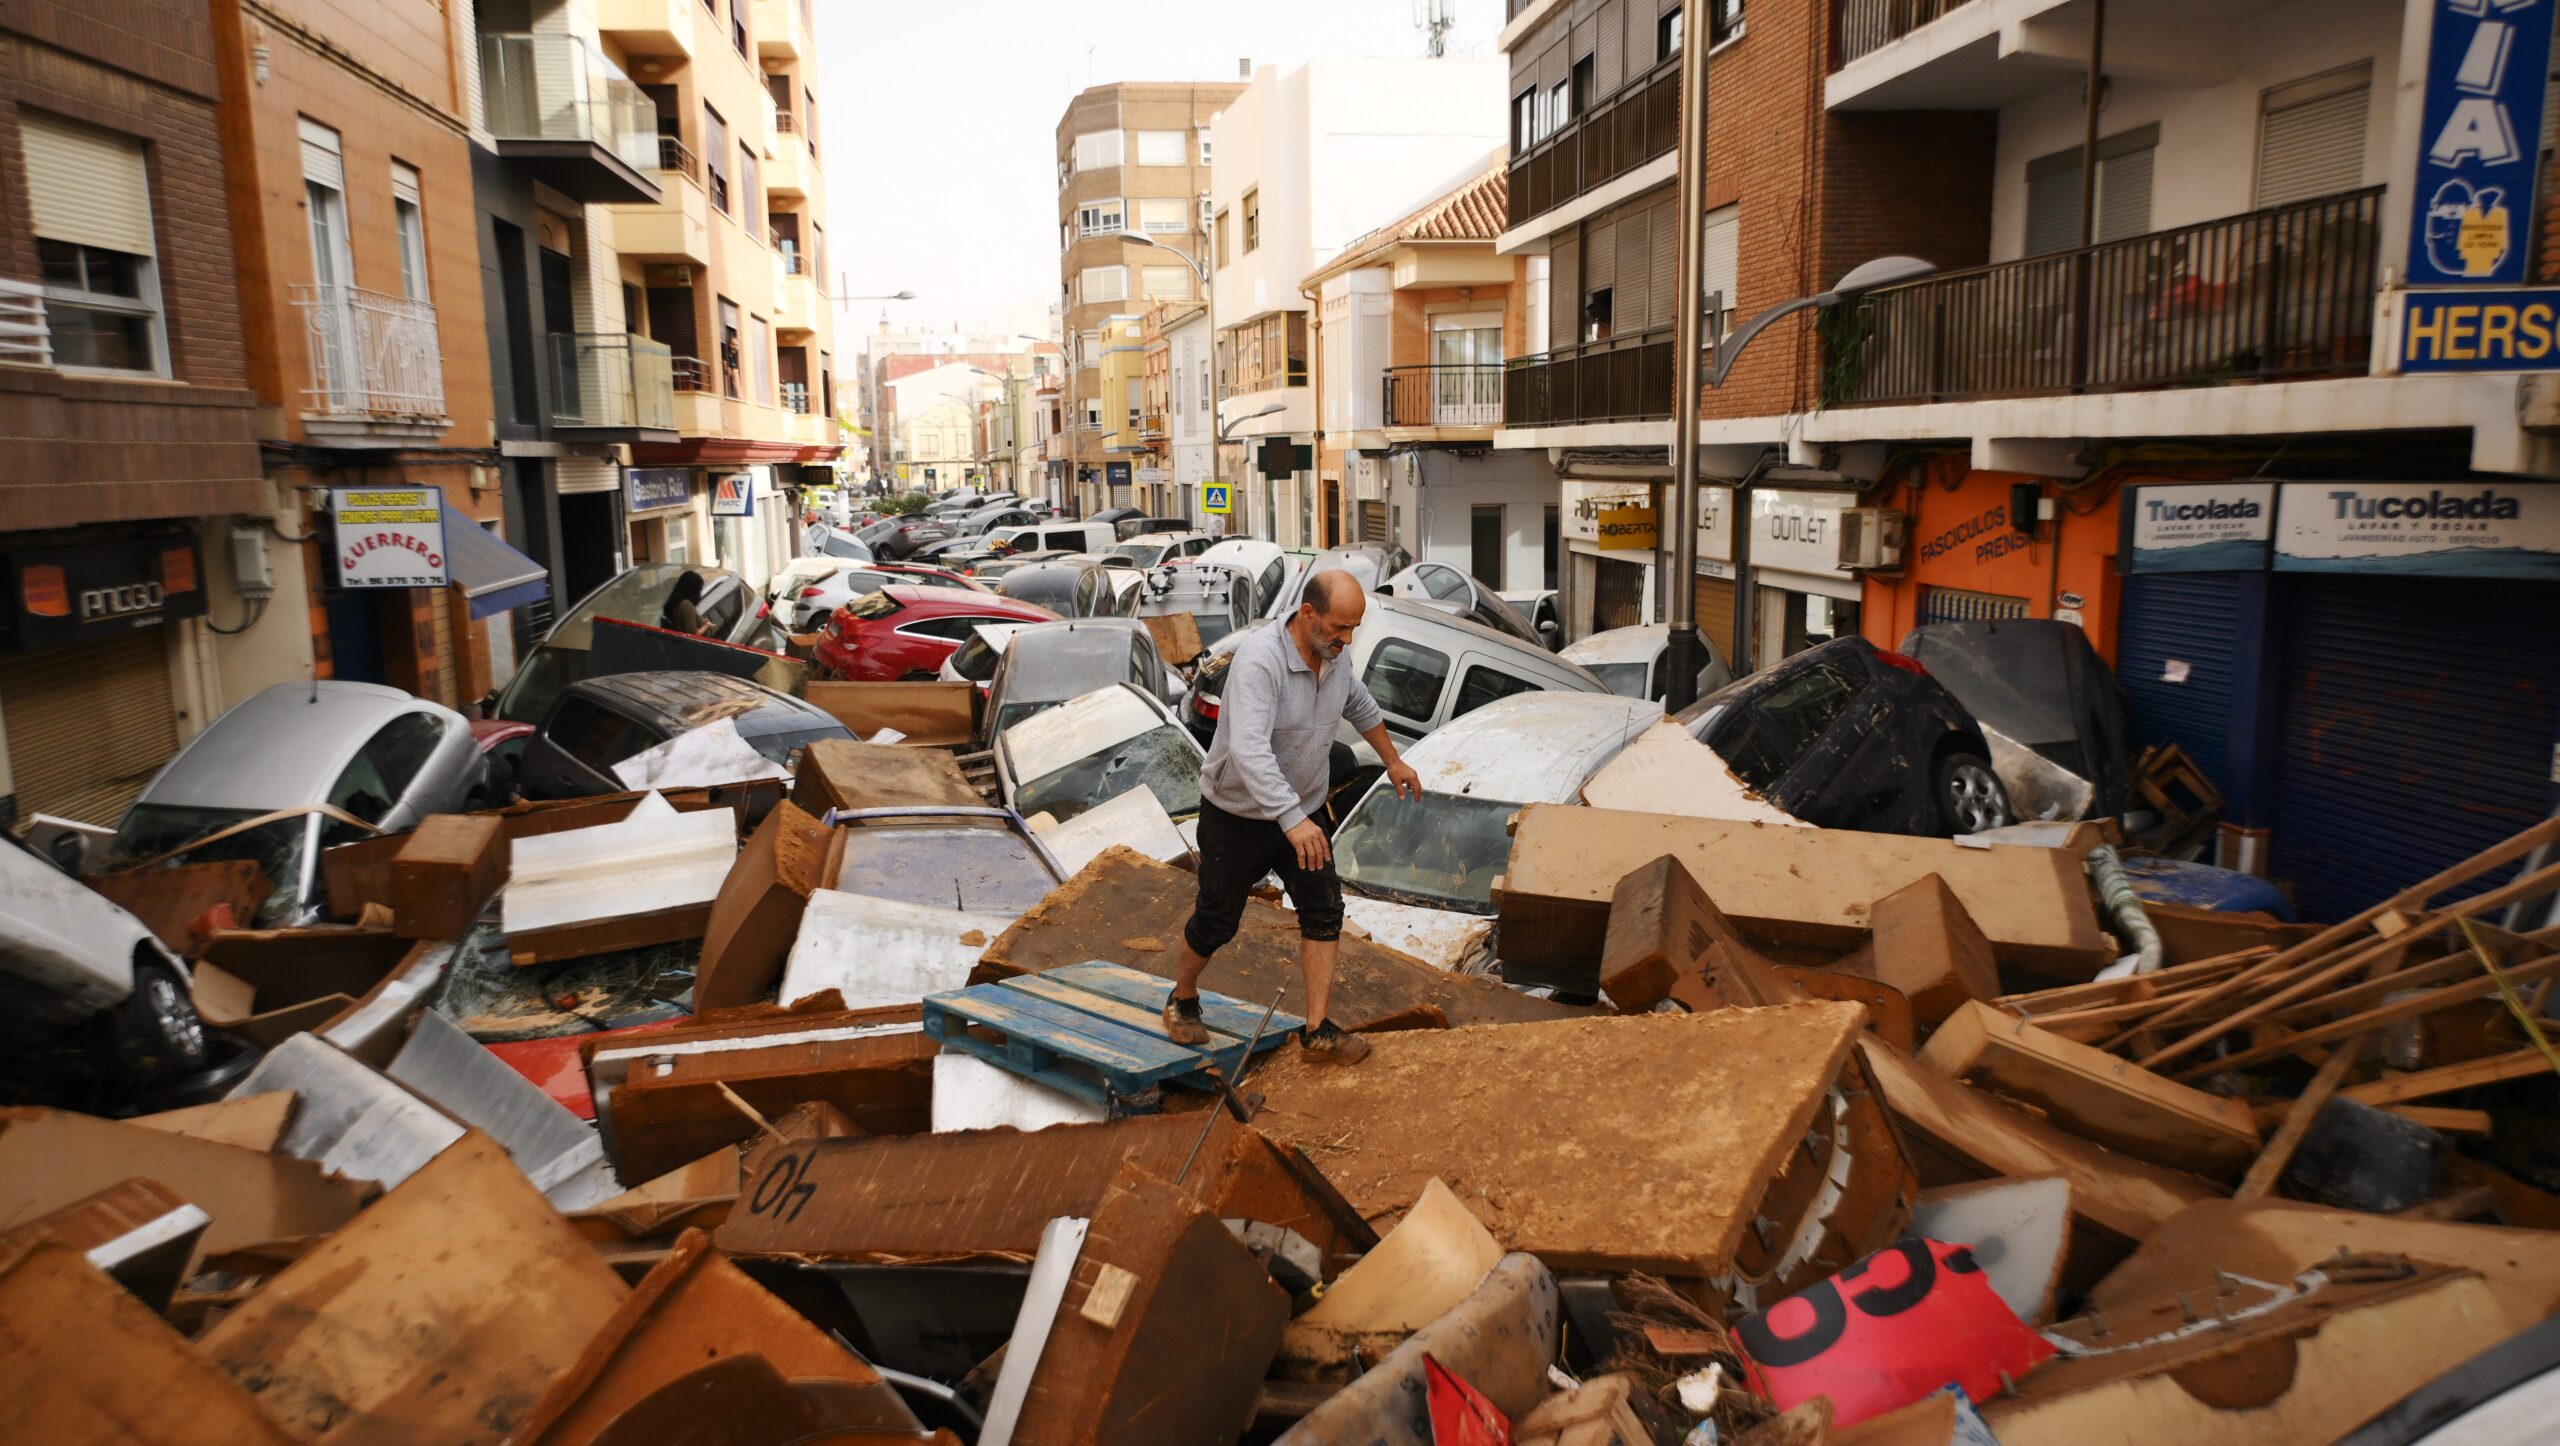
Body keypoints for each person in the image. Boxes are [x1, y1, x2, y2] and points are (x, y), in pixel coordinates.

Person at [1162, 569, 1420, 1063]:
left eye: (1354, 629)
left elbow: (1360, 705)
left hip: (1300, 812)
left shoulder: (1334, 657)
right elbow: (1249, 751)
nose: (1347, 640)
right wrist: (1291, 818)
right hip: (1237, 814)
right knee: (1217, 921)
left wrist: (1393, 760)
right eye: (1339, 628)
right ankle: (1182, 997)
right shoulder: (1261, 662)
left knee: (1323, 911)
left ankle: (1318, 1029)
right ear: (1307, 614)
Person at [660, 569, 712, 636]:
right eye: (700, 588)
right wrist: (707, 626)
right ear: (694, 589)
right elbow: (693, 634)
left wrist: (703, 622)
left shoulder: (676, 601)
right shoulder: (686, 605)